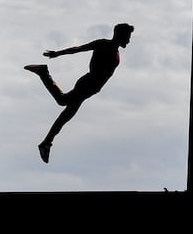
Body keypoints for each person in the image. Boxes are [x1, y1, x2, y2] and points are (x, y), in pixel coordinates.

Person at [24, 23, 134, 163]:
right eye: (128, 37)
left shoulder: (115, 51)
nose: (129, 41)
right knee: (65, 110)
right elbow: (79, 49)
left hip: (90, 88)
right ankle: (46, 143)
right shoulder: (103, 44)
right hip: (87, 84)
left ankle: (46, 143)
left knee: (63, 104)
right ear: (120, 35)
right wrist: (57, 53)